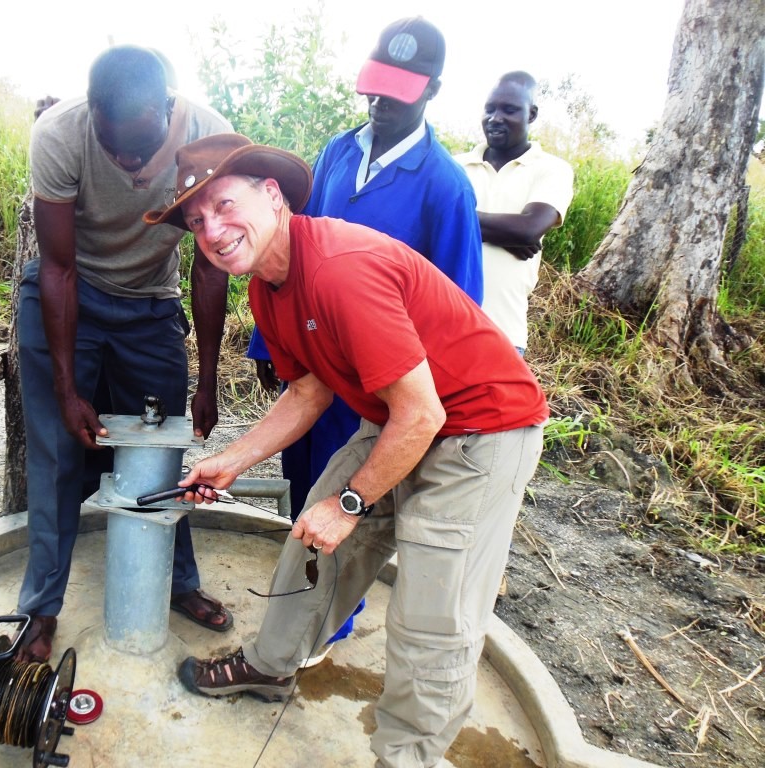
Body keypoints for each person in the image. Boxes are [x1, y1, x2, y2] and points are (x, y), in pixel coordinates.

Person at [143, 133, 548, 767]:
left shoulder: (338, 268)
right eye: (196, 222)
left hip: (481, 429)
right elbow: (308, 393)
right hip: (397, 416)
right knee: (312, 543)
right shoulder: (267, 285)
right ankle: (271, 666)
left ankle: (406, 758)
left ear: (272, 195)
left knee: (431, 620)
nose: (213, 230)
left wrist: (352, 502)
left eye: (223, 205)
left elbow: (425, 414)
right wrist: (231, 461)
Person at [246, 16, 484, 650]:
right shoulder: (338, 152)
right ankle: (300, 609)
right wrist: (271, 344)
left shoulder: (445, 187)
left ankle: (329, 627)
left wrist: (417, 408)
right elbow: (295, 252)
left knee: (350, 497)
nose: (378, 103)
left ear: (431, 90)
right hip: (319, 366)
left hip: (381, 383)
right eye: (373, 88)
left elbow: (460, 307)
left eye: (397, 92)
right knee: (304, 480)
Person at [14, 46, 233, 663]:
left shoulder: (207, 137)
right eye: (114, 150)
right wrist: (66, 388)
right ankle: (40, 608)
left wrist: (209, 377)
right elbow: (57, 268)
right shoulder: (60, 134)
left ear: (168, 108)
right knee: (57, 457)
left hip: (150, 303)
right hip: (68, 295)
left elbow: (211, 265)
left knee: (160, 449)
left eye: (139, 150)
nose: (129, 164)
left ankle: (177, 582)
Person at [454, 71, 574, 353]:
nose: (495, 118)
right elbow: (426, 223)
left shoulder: (551, 169)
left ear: (531, 114)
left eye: (509, 110)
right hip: (442, 327)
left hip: (503, 335)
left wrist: (460, 222)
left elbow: (529, 229)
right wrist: (504, 234)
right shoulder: (454, 167)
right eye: (489, 109)